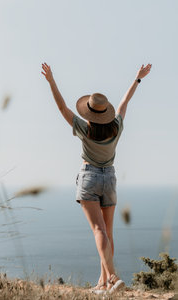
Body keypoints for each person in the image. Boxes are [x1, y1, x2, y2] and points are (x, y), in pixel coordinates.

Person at [41, 62, 152, 294]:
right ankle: (103, 283)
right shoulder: (117, 128)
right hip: (110, 178)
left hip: (89, 177)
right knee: (108, 232)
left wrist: (51, 81)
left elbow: (62, 108)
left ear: (89, 113)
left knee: (98, 231)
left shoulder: (85, 129)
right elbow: (124, 103)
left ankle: (112, 277)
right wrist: (137, 78)